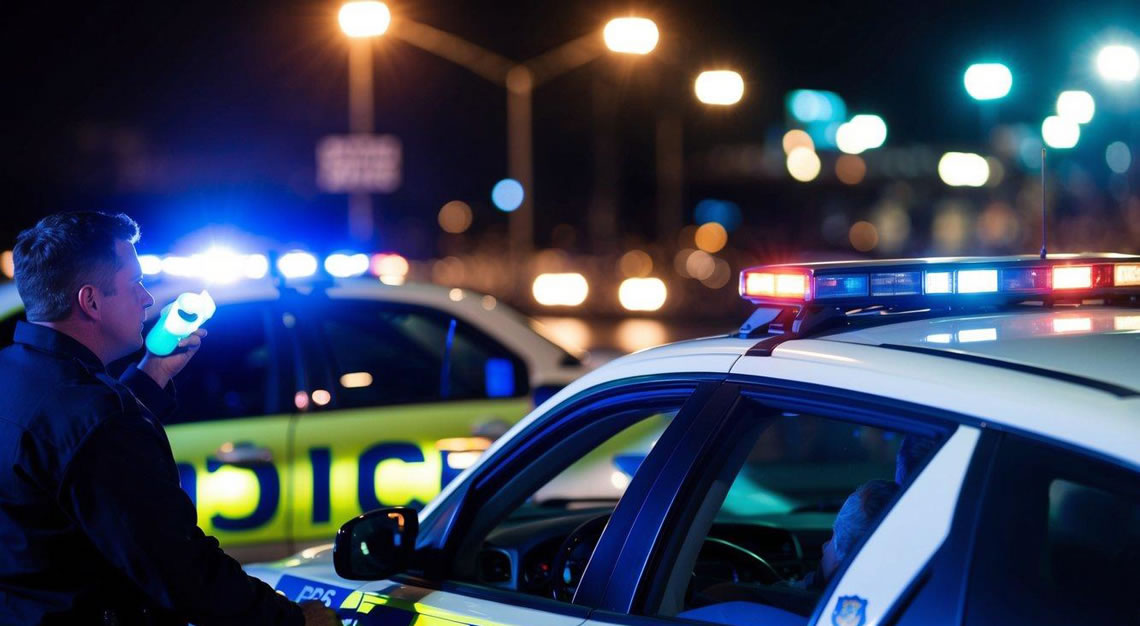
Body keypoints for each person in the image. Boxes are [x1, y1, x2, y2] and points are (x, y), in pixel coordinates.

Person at [0, 212, 337, 625]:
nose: (146, 298)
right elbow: (181, 570)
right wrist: (294, 620)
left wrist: (153, 372)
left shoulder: (13, 376)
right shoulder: (99, 419)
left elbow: (71, 446)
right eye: (134, 283)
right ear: (90, 301)